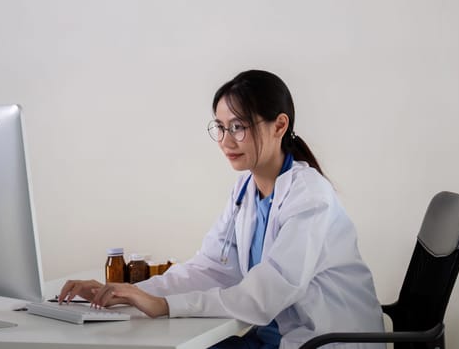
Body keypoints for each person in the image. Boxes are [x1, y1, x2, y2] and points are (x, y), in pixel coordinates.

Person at [59, 70, 385, 348]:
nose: (226, 141)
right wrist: (125, 293)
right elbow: (211, 268)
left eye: (239, 127)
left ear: (279, 125)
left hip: (320, 340)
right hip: (270, 337)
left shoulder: (310, 196)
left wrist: (163, 305)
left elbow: (268, 293)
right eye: (221, 126)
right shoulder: (245, 191)